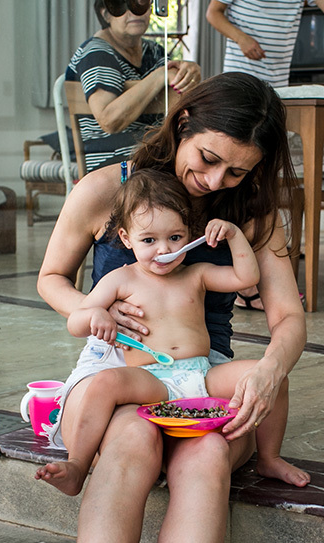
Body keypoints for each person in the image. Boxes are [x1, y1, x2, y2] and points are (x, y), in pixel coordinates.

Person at [37, 71, 308, 543]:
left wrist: (270, 368)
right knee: (132, 432)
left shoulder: (255, 216)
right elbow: (51, 277)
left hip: (197, 378)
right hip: (116, 368)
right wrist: (94, 310)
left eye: (237, 173)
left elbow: (288, 318)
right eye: (210, 159)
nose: (217, 183)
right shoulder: (109, 187)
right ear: (183, 123)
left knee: (208, 451)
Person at [38, 168, 294, 497]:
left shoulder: (197, 274)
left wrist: (233, 235)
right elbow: (76, 323)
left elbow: (246, 277)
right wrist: (95, 315)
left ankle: (269, 457)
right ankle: (77, 463)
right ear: (127, 238)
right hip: (150, 380)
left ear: (189, 235)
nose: (163, 250)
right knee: (105, 383)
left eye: (175, 237)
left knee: (273, 375)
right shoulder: (120, 280)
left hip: (202, 376)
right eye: (149, 240)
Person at [68, 0, 202, 173]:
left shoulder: (154, 51)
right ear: (106, 14)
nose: (134, 12)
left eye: (139, 1)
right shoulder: (97, 51)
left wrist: (191, 75)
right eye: (123, 5)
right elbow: (109, 120)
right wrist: (158, 77)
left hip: (152, 154)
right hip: (112, 165)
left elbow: (179, 101)